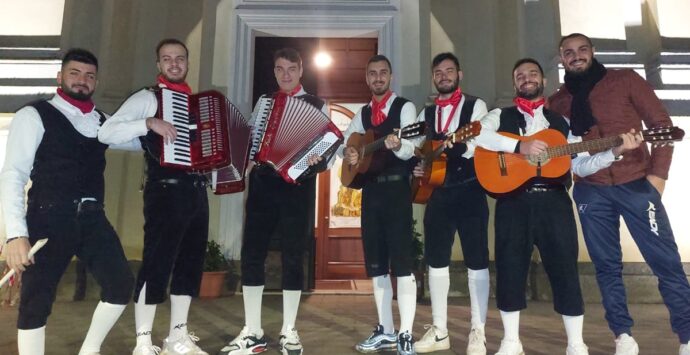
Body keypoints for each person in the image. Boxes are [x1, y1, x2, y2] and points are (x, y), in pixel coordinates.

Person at [474, 58, 641, 355]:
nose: (527, 78)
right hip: (512, 201)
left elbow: (582, 164)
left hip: (554, 202)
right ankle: (511, 341)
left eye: (532, 74)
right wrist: (518, 147)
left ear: (544, 81)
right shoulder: (500, 114)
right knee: (510, 267)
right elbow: (477, 135)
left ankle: (575, 343)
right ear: (515, 83)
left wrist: (613, 152)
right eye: (520, 75)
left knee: (564, 268)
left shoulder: (561, 122)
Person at [549, 32, 690, 355]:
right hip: (591, 192)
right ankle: (622, 335)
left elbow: (661, 124)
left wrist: (658, 176)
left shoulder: (625, 80)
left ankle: (687, 334)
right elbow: (565, 152)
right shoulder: (557, 103)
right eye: (569, 52)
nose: (576, 56)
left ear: (593, 51)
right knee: (606, 266)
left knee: (666, 262)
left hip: (637, 183)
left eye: (582, 49)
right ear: (562, 59)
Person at [0, 48, 135, 355]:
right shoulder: (33, 115)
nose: (81, 81)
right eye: (74, 73)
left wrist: (153, 124)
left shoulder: (103, 121)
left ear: (96, 82)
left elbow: (137, 140)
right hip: (48, 217)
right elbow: (13, 175)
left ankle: (89, 350)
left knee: (120, 284)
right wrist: (15, 235)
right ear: (59, 77)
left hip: (91, 218)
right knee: (36, 301)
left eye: (89, 76)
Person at [98, 38, 210, 355]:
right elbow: (106, 133)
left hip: (196, 192)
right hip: (164, 192)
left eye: (180, 58)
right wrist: (147, 123)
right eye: (167, 58)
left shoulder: (195, 104)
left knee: (189, 264)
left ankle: (177, 336)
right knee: (157, 263)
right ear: (158, 64)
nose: (174, 63)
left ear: (188, 62)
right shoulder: (148, 98)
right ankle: (143, 341)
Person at [218, 48, 330, 355]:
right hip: (264, 184)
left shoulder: (318, 105)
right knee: (252, 253)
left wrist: (318, 160)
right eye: (279, 69)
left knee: (294, 255)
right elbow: (252, 141)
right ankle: (252, 330)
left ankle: (289, 329)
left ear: (301, 69)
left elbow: (327, 150)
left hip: (297, 187)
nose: (285, 75)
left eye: (291, 69)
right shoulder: (264, 103)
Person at [411, 52, 490, 355]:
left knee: (477, 260)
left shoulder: (475, 106)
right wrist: (418, 167)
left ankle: (478, 332)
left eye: (449, 71)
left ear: (460, 74)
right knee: (436, 260)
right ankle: (440, 330)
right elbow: (417, 149)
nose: (443, 76)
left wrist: (448, 147)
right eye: (438, 72)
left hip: (469, 190)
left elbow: (475, 145)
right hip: (438, 194)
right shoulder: (427, 112)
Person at [342, 55, 418, 355]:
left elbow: (416, 144)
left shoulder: (405, 108)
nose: (377, 78)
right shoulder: (362, 113)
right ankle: (385, 330)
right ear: (366, 78)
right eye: (372, 73)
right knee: (376, 265)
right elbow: (347, 145)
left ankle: (406, 333)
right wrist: (350, 153)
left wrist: (400, 145)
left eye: (382, 73)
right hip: (370, 193)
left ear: (391, 76)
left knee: (402, 262)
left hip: (397, 191)